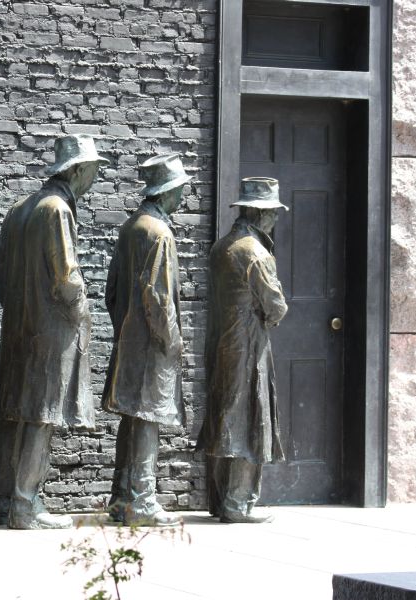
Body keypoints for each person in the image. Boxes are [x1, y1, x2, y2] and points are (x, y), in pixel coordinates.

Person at [0, 134, 105, 530]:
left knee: (16, 412)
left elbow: (0, 278)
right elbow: (66, 276)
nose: (94, 176)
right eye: (92, 169)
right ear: (75, 170)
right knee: (41, 414)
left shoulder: (19, 208)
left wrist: (21, 310)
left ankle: (4, 501)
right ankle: (25, 504)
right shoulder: (56, 209)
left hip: (20, 326)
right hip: (50, 329)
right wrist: (79, 314)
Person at [102, 154, 190, 526]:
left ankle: (122, 497)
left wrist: (125, 326)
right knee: (147, 420)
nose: (184, 196)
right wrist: (172, 340)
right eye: (181, 189)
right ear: (168, 191)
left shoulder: (131, 227)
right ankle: (142, 499)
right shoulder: (159, 233)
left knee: (134, 420)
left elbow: (111, 291)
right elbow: (158, 297)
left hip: (130, 339)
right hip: (152, 344)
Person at [198, 176, 289, 524]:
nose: (275, 220)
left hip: (222, 344)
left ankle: (222, 501)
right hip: (248, 347)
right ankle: (237, 504)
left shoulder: (222, 247)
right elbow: (276, 305)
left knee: (225, 417)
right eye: (272, 213)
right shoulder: (255, 252)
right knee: (248, 419)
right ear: (258, 213)